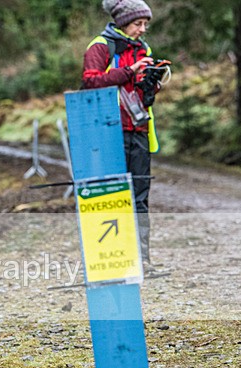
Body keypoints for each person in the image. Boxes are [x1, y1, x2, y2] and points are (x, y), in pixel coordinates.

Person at [83, 0, 165, 270]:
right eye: (138, 24)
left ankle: (143, 260)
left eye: (145, 25)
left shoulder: (144, 49)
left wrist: (151, 82)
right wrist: (129, 71)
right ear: (122, 22)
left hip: (139, 129)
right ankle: (112, 259)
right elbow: (90, 81)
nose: (142, 30)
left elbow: (143, 94)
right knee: (110, 196)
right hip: (108, 132)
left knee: (140, 198)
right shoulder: (100, 46)